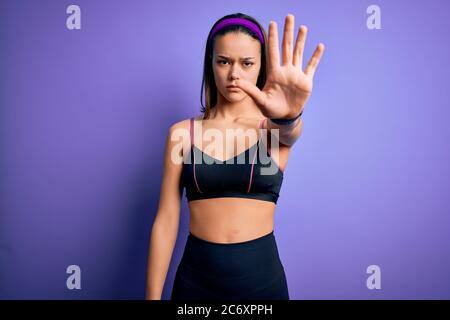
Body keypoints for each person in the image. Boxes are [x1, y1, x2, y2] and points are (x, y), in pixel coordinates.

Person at [145, 12, 325, 300]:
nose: (234, 74)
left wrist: (290, 114)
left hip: (262, 286)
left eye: (247, 63)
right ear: (211, 63)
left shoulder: (272, 130)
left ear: (261, 68)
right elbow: (166, 220)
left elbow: (290, 132)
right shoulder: (182, 133)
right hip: (195, 286)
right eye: (224, 61)